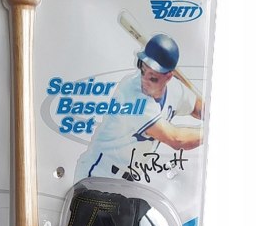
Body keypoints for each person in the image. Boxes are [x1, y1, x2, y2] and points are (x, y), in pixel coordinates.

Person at [74, 33, 204, 183]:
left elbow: (197, 108)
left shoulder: (175, 89)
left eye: (153, 77)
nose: (145, 80)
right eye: (143, 70)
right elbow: (176, 140)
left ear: (168, 77)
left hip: (129, 181)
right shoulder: (130, 92)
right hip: (99, 173)